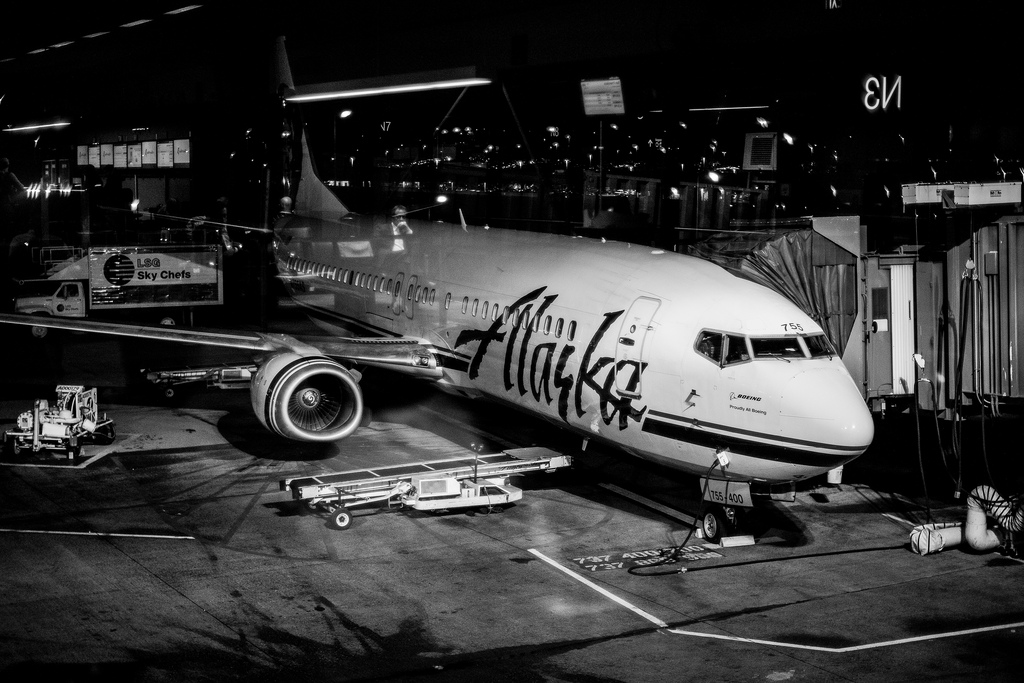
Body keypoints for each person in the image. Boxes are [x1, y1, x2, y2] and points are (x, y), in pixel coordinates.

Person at [0, 157, 27, 235]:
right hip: (6, 204)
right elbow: (21, 187)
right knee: (9, 226)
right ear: (8, 165)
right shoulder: (10, 175)